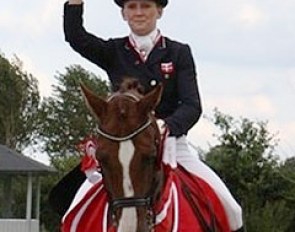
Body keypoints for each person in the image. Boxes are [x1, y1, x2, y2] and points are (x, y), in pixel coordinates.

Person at [51, 0, 243, 231]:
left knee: (231, 209)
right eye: (132, 7)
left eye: (146, 6)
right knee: (73, 211)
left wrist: (167, 125)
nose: (139, 12)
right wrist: (75, 3)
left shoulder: (178, 52)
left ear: (159, 11)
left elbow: (192, 105)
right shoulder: (114, 51)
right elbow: (76, 37)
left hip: (172, 147)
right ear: (123, 13)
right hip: (121, 151)